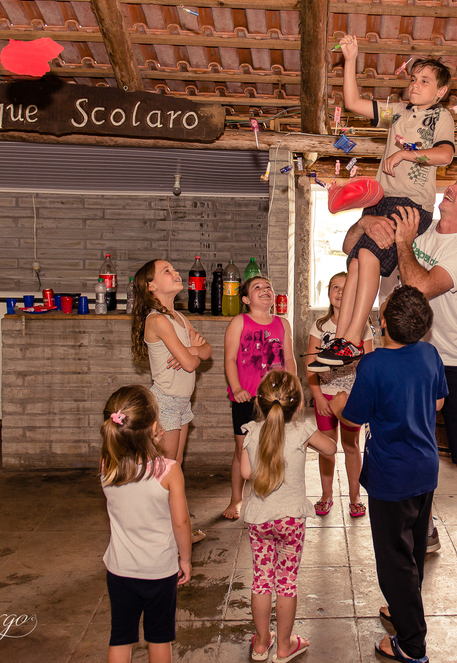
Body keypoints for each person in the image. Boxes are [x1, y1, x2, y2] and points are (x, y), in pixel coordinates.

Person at [342, 171, 457, 599]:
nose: (452, 188)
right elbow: (351, 252)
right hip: (408, 356)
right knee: (414, 446)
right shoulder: (422, 226)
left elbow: (419, 286)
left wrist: (401, 243)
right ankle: (424, 527)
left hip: (455, 362)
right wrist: (364, 225)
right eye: (456, 183)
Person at [309, 35, 455, 371]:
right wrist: (350, 59)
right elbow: (352, 101)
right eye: (414, 79)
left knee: (366, 254)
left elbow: (446, 154)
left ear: (440, 92)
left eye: (425, 81)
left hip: (410, 204)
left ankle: (352, 341)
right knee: (356, 264)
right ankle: (341, 341)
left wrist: (407, 152)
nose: (416, 85)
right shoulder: (399, 112)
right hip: (382, 198)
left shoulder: (440, 116)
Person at [331, 285, 446, 663]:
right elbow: (439, 400)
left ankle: (412, 645)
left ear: (382, 323)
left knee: (394, 561)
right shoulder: (429, 354)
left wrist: (339, 404)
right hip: (425, 470)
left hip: (390, 477)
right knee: (413, 549)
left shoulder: (375, 364)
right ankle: (403, 611)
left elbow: (352, 419)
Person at [239, 370, 336, 663]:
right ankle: (284, 645)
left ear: (260, 401)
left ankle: (261, 644)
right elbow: (331, 448)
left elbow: (245, 473)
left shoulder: (252, 431)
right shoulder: (302, 431)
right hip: (291, 520)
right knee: (286, 583)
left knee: (261, 580)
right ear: (299, 403)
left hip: (259, 518)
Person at [99, 385, 193, 663]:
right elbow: (181, 522)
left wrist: (149, 440)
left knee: (121, 637)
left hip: (119, 569)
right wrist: (185, 559)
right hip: (159, 571)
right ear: (154, 427)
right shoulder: (169, 470)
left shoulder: (107, 464)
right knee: (159, 637)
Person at [222, 276, 296, 521]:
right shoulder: (239, 322)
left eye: (268, 287)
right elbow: (230, 359)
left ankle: (274, 496)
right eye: (257, 288)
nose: (265, 290)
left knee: (276, 448)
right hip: (246, 399)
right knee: (242, 450)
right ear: (245, 299)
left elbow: (289, 359)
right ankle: (236, 498)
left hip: (275, 399)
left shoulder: (283, 323)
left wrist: (292, 389)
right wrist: (237, 388)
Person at [131, 259, 213, 468]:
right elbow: (189, 364)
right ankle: (157, 501)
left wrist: (191, 350)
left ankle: (171, 502)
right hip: (166, 401)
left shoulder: (180, 317)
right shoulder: (157, 320)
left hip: (183, 401)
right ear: (152, 286)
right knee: (165, 467)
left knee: (175, 464)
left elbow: (208, 350)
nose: (175, 272)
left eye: (174, 269)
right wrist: (192, 354)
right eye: (167, 271)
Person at [304, 272, 374, 518]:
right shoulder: (320, 326)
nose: (340, 292)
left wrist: (359, 398)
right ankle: (326, 494)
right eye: (335, 287)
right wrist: (318, 396)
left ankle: (355, 496)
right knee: (327, 447)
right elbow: (310, 363)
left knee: (351, 446)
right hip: (325, 396)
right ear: (329, 293)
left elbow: (368, 366)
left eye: (346, 288)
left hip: (351, 398)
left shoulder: (362, 327)